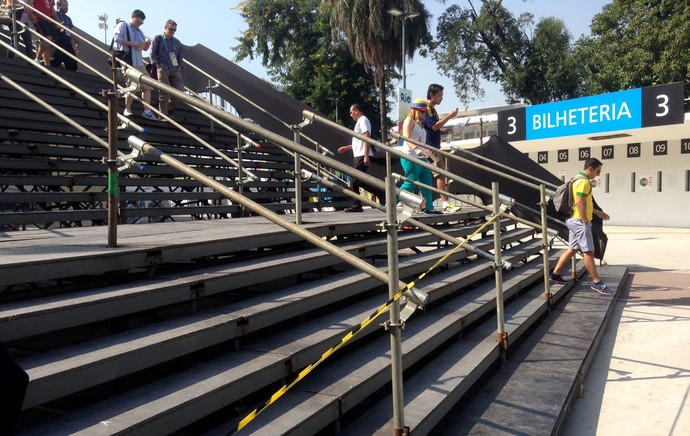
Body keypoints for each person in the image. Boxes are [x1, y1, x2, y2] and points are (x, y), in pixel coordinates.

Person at [549, 158, 612, 294]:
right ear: (590, 169)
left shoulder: (576, 180)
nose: (598, 174)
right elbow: (580, 203)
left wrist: (596, 212)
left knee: (572, 248)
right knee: (589, 251)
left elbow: (583, 203)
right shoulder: (584, 182)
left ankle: (555, 275)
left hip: (573, 219)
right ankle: (597, 282)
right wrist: (584, 220)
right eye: (597, 171)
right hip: (579, 221)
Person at [113, 9, 158, 121]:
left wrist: (146, 45)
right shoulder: (123, 25)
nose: (139, 24)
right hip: (128, 60)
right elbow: (116, 38)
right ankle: (127, 109)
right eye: (137, 22)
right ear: (132, 18)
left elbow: (142, 48)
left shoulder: (140, 31)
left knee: (147, 84)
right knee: (132, 84)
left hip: (139, 61)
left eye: (141, 22)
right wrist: (134, 44)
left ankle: (147, 111)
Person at [423, 84, 459, 210]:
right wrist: (449, 117)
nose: (441, 98)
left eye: (442, 95)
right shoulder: (426, 108)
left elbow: (433, 128)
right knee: (440, 174)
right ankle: (445, 204)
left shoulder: (432, 109)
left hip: (434, 146)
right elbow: (433, 127)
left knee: (429, 176)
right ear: (431, 95)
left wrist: (444, 131)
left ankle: (427, 204)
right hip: (429, 147)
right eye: (439, 95)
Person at [400, 99, 439, 215]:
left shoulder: (420, 123)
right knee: (410, 183)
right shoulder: (409, 120)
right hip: (409, 157)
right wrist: (416, 149)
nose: (423, 114)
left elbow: (421, 141)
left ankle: (429, 208)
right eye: (421, 112)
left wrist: (426, 152)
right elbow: (406, 138)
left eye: (424, 112)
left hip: (421, 158)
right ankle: (392, 202)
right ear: (415, 110)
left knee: (427, 182)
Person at [337, 103, 373, 212]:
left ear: (357, 110)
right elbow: (360, 141)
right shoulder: (360, 121)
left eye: (351, 112)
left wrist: (366, 156)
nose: (351, 115)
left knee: (356, 180)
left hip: (361, 155)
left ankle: (380, 192)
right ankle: (358, 204)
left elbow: (367, 136)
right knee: (356, 180)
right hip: (359, 155)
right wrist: (347, 148)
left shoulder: (363, 120)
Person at [150, 19, 184, 118]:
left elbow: (179, 56)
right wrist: (157, 66)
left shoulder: (177, 42)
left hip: (174, 68)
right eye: (171, 29)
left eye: (174, 30)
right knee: (164, 92)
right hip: (163, 67)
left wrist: (179, 67)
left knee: (180, 91)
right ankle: (163, 115)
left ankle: (169, 108)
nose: (172, 32)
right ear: (165, 28)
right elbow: (152, 53)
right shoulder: (159, 38)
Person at [51, 0, 78, 71]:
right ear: (59, 6)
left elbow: (72, 32)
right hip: (58, 42)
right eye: (64, 5)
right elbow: (51, 26)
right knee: (54, 63)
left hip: (67, 44)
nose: (66, 7)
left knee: (73, 64)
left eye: (67, 5)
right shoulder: (55, 14)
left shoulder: (68, 19)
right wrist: (59, 26)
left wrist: (78, 43)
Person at [31, 0, 59, 66]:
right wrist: (31, 14)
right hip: (39, 17)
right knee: (48, 39)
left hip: (48, 20)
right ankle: (37, 59)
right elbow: (29, 3)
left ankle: (47, 65)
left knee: (48, 42)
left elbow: (52, 9)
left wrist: (58, 21)